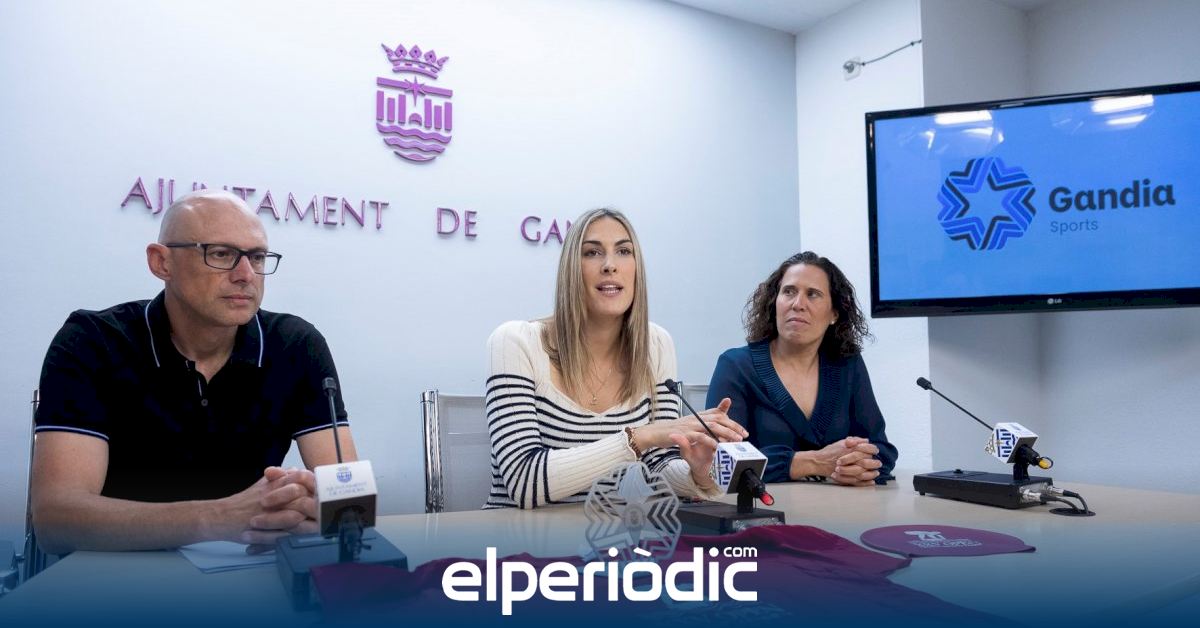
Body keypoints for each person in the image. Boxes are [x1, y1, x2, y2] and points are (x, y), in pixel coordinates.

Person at [31, 189, 357, 553]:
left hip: (250, 569)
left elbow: (350, 501)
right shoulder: (93, 341)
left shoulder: (295, 344)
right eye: (221, 254)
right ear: (161, 263)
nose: (246, 275)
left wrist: (316, 510)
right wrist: (218, 518)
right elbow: (55, 521)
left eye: (257, 257)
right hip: (117, 572)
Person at [484, 208, 748, 509]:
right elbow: (523, 481)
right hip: (520, 534)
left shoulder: (656, 344)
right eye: (592, 252)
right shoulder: (515, 342)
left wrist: (697, 474)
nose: (610, 265)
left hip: (611, 532)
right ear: (571, 270)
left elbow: (658, 463)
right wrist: (637, 438)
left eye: (623, 251)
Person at [706, 251, 897, 487]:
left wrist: (857, 465)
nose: (798, 304)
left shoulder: (847, 364)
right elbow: (719, 462)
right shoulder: (736, 366)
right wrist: (813, 463)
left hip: (843, 505)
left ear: (834, 313)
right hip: (762, 505)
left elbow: (881, 450)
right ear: (774, 303)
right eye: (789, 292)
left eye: (813, 294)